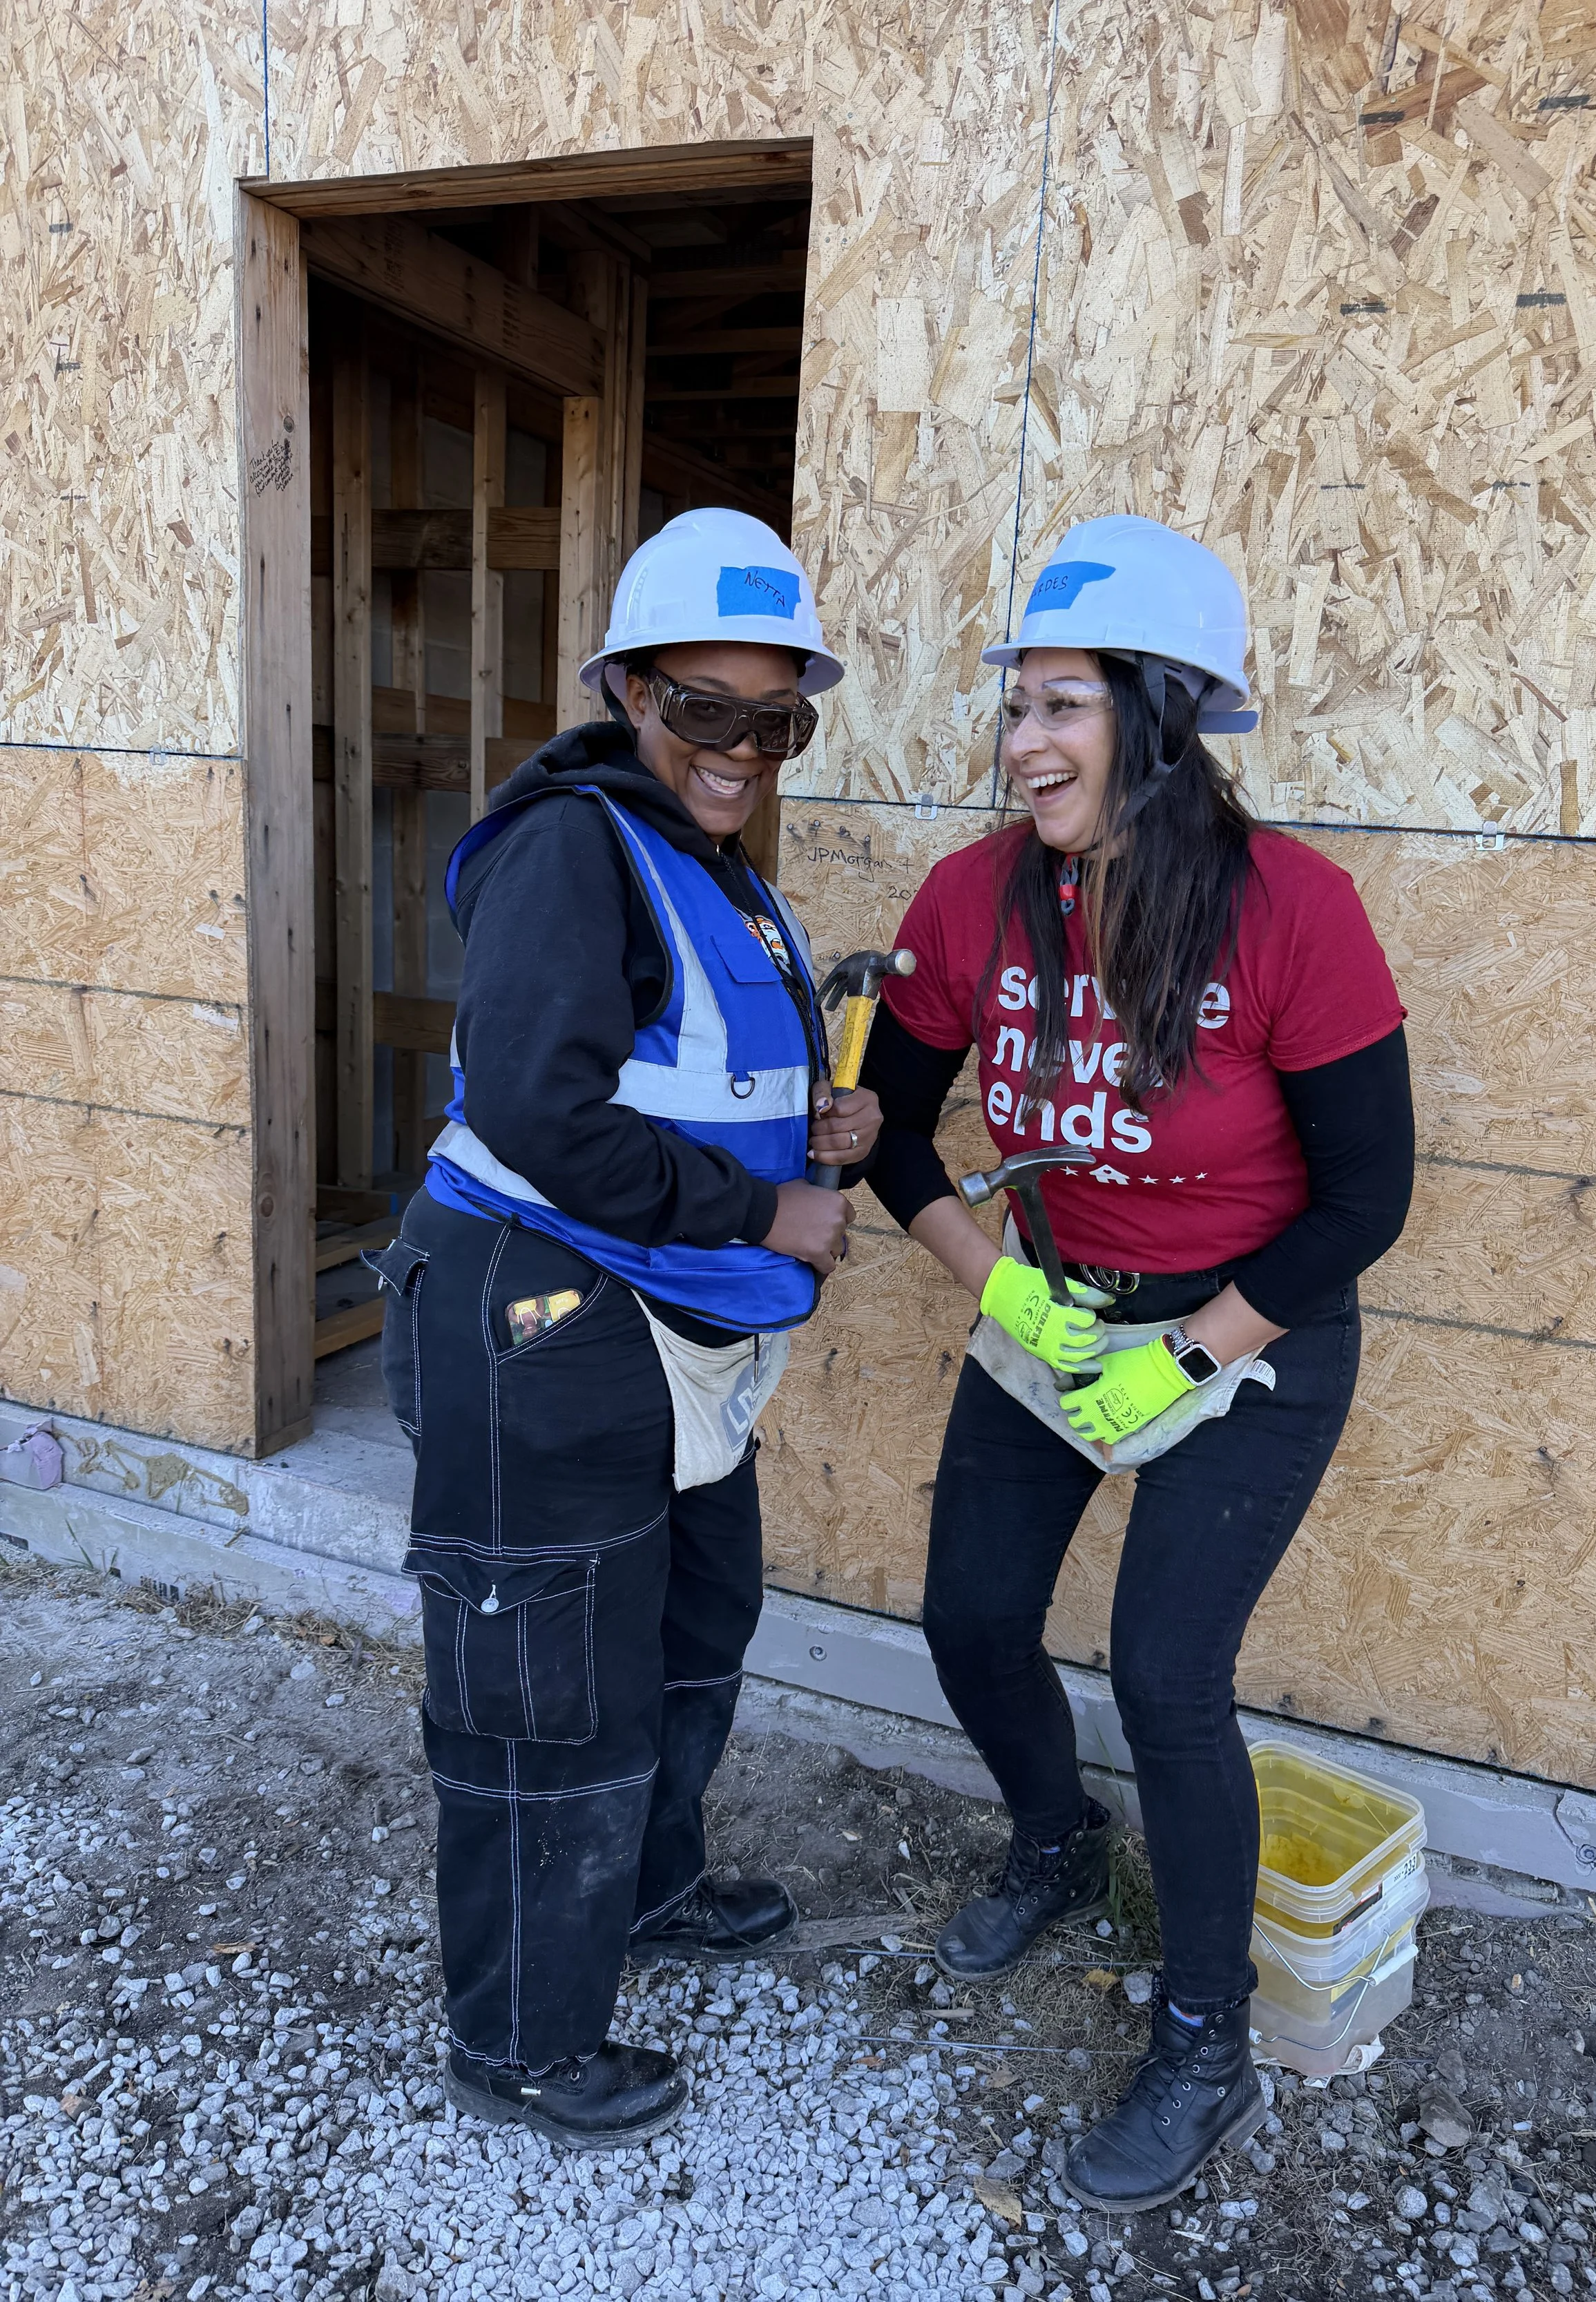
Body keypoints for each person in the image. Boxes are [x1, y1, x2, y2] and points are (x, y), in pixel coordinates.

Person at [860, 514, 1414, 2207]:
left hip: (1249, 1334)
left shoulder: (1291, 910)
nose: (1022, 743)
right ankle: (1052, 1836)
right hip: (1057, 1313)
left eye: (1062, 708)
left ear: (1159, 721)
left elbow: (1363, 1197)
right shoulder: (969, 897)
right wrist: (1009, 1297)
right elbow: (886, 1132)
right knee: (966, 1615)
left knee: (1166, 1677)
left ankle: (1201, 2038)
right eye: (1013, 709)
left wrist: (1188, 1350)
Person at [368, 509, 881, 2151]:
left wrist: (818, 1129)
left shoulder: (712, 868)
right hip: (544, 1308)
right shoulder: (568, 846)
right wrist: (759, 1213)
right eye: (702, 708)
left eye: (773, 718)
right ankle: (518, 2037)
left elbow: (690, 1073)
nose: (738, 748)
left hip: (661, 1321)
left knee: (688, 1621)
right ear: (623, 691)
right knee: (549, 1679)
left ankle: (647, 1887)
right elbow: (536, 1106)